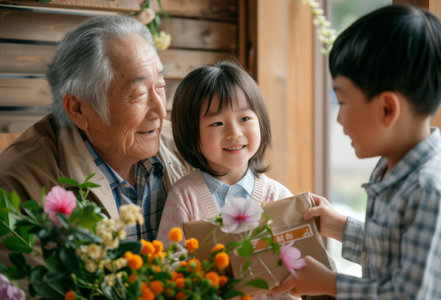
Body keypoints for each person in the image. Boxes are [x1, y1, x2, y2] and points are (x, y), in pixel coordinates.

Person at [272, 4, 441, 299]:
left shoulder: (430, 189)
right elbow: (391, 249)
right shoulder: (391, 168)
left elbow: (410, 294)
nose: (339, 119)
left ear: (387, 109)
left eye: (342, 101)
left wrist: (330, 283)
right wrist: (338, 226)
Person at [0, 15, 190, 243]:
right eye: (139, 94)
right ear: (78, 109)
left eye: (160, 86)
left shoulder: (191, 144)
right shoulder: (17, 187)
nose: (160, 110)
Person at [156, 61, 296, 299]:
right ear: (192, 134)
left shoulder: (278, 197)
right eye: (217, 123)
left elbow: (299, 265)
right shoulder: (184, 196)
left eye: (245, 118)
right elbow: (168, 264)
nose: (234, 133)